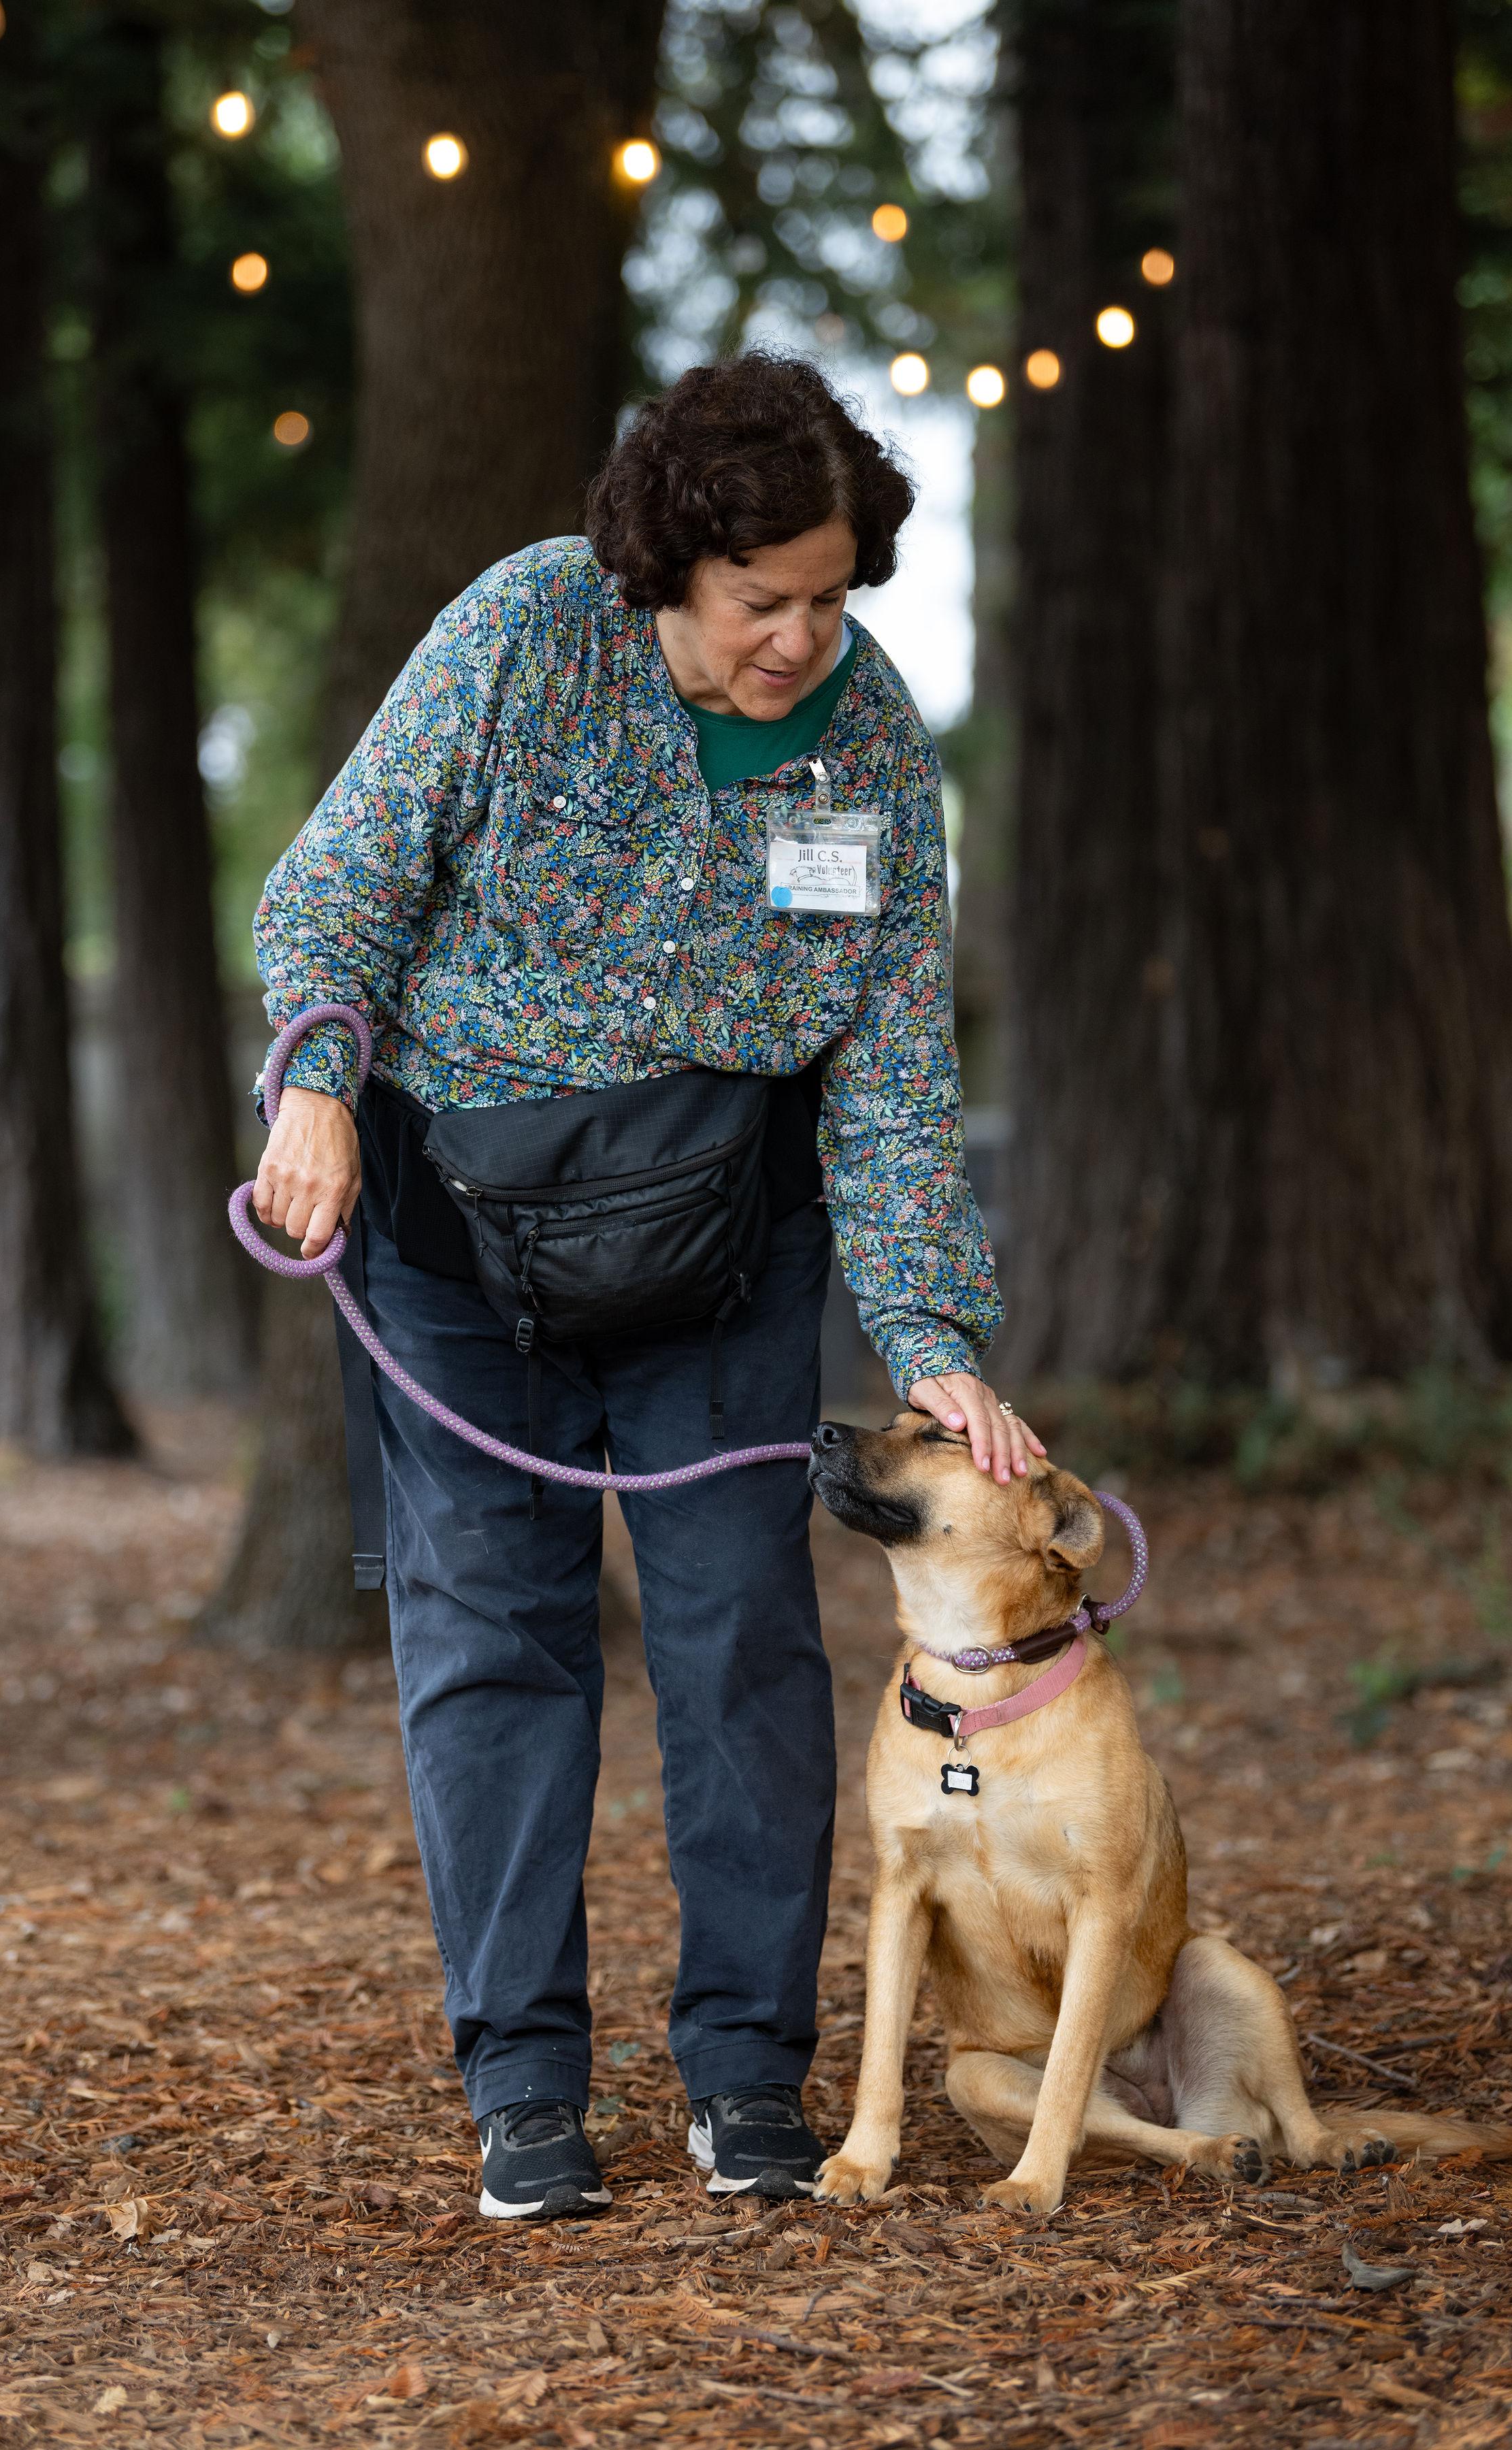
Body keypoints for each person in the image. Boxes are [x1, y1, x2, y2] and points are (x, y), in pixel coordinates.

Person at [251, 353, 1042, 2220]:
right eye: (760, 598)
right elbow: (331, 897)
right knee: (492, 1649)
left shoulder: (870, 749)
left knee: (744, 1646)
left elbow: (894, 1068)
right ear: (670, 567)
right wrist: (313, 1086)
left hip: (718, 1258)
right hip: (463, 1247)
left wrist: (932, 1342)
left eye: (830, 596)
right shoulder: (526, 632)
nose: (797, 637)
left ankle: (747, 2075)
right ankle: (525, 2084)